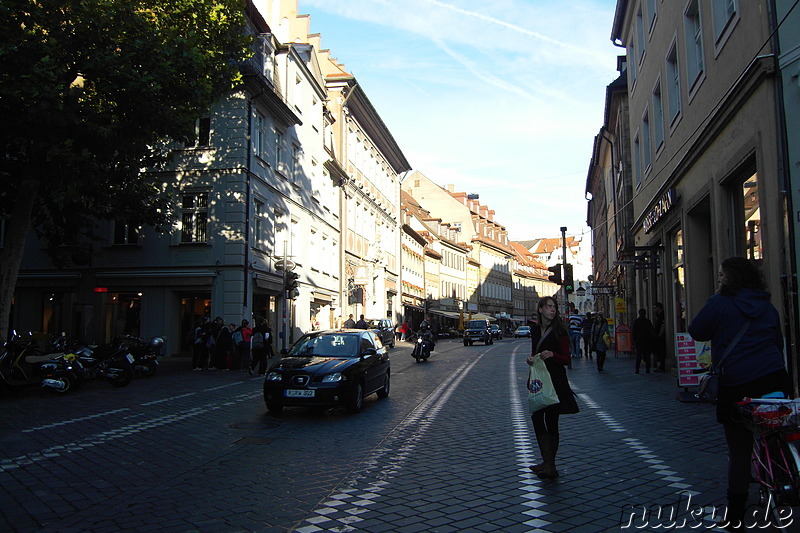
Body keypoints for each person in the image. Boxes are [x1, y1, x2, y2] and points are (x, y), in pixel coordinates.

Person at [687, 257, 790, 531]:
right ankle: (786, 478)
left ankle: (735, 516)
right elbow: (777, 342)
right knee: (776, 432)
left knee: (740, 451)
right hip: (774, 378)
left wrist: (715, 299)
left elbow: (696, 330)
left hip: (739, 383)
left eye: (721, 275)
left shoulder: (721, 302)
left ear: (730, 278)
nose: (719, 278)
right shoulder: (767, 306)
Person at [526, 296, 579, 479]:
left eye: (554, 307)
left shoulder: (559, 331)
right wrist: (531, 359)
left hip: (555, 381)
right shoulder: (534, 331)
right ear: (540, 309)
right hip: (540, 380)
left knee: (552, 420)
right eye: (548, 306)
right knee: (537, 417)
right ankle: (546, 460)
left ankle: (550, 464)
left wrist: (553, 355)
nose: (552, 310)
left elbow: (566, 358)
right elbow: (534, 352)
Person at [631, 309, 655, 374]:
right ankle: (647, 369)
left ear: (639, 313)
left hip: (639, 342)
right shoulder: (648, 322)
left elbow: (633, 332)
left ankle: (637, 369)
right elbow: (652, 331)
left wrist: (634, 340)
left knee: (638, 356)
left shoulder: (636, 322)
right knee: (647, 355)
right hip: (647, 341)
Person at [652, 302, 666, 372]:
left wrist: (660, 335)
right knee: (658, 351)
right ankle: (660, 365)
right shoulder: (658, 315)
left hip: (661, 337)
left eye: (655, 308)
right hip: (658, 336)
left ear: (658, 308)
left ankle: (662, 366)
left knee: (661, 351)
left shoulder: (662, 315)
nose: (654, 309)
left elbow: (663, 325)